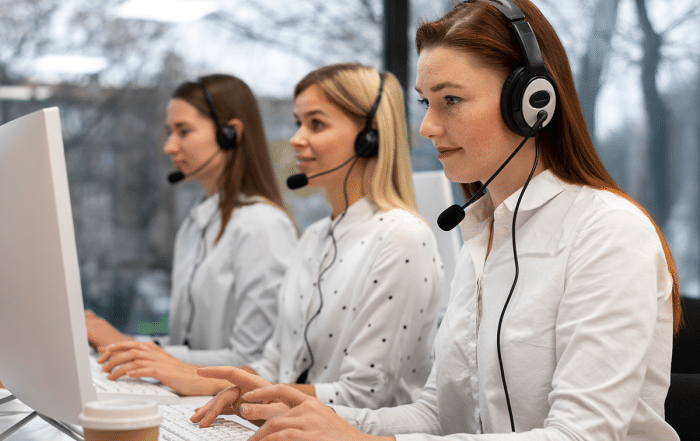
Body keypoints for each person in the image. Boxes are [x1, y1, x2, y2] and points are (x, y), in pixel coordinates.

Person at [189, 1, 683, 439]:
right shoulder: (483, 234)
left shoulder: (608, 232)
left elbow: (581, 436)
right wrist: (298, 412)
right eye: (426, 103)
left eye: (451, 100)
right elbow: (437, 418)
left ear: (532, 103)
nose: (426, 126)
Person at [97, 63, 444, 404]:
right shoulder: (314, 237)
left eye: (316, 124)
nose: (295, 139)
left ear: (370, 138)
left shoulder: (402, 236)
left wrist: (194, 376)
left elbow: (364, 396)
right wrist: (212, 386)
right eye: (298, 123)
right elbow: (273, 366)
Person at [85, 74, 297, 380]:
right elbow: (188, 347)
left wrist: (128, 345)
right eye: (169, 132)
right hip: (191, 398)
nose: (169, 147)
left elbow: (253, 361)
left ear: (230, 134)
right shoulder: (197, 220)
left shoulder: (263, 226)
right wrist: (130, 348)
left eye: (183, 131)